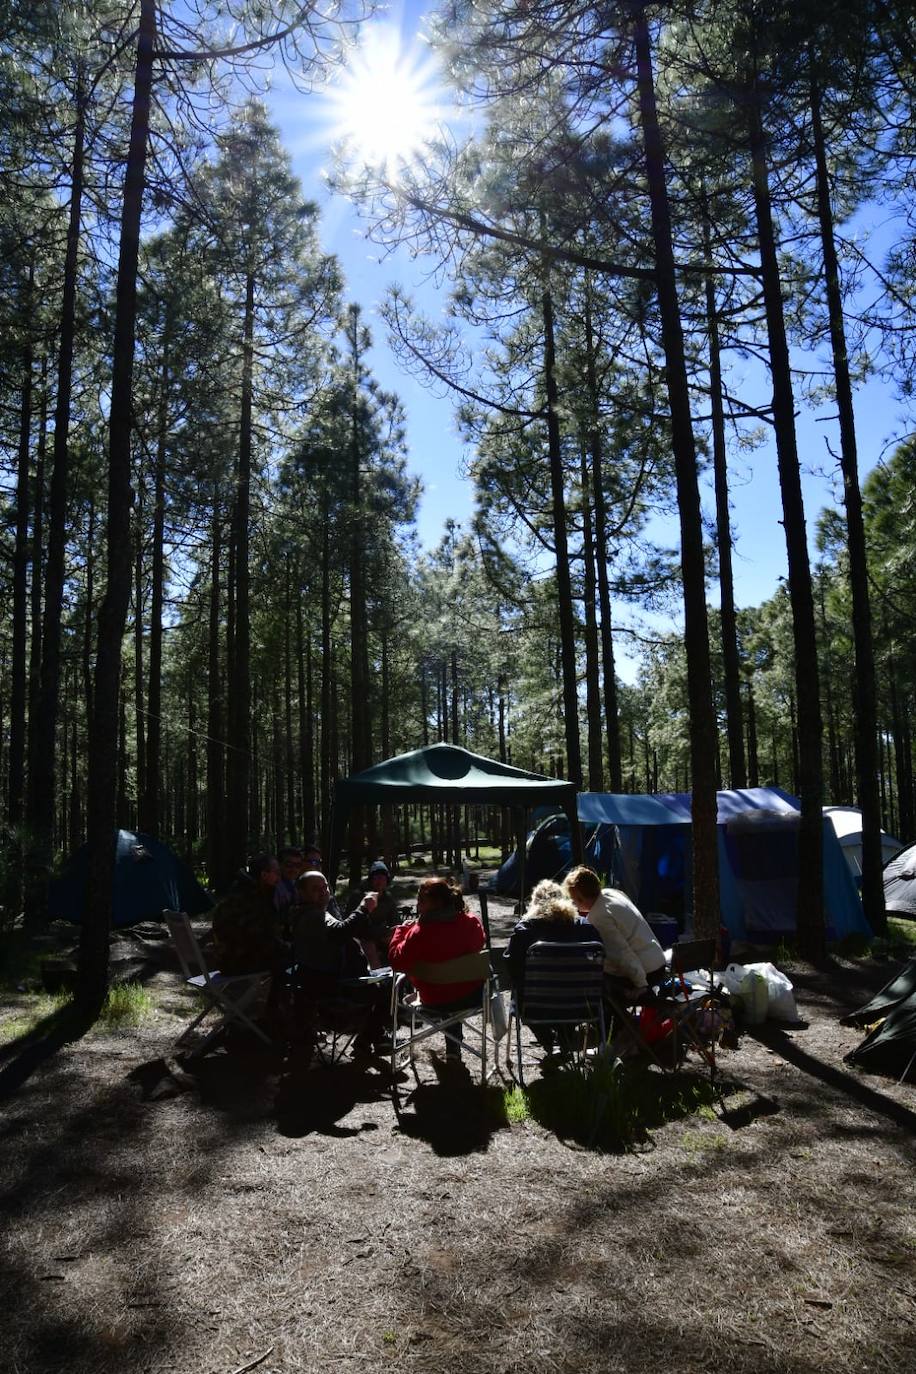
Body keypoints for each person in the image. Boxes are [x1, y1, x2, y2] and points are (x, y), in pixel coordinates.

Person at [387, 877, 486, 1061]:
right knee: (455, 981)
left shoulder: (418, 933)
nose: (417, 906)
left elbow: (396, 962)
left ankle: (451, 1045)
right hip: (471, 996)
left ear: (437, 902)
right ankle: (453, 1047)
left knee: (446, 986)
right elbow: (479, 944)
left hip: (434, 999)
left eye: (421, 901)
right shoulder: (471, 923)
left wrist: (400, 932)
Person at [292, 870, 389, 1056]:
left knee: (378, 979)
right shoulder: (313, 916)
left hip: (320, 982)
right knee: (388, 984)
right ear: (302, 893)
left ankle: (374, 1037)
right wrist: (363, 908)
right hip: (337, 987)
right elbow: (340, 931)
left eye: (325, 887)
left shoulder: (307, 913)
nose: (323, 892)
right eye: (315, 889)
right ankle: (371, 1038)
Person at [504, 879, 600, 1056]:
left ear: (534, 903)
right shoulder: (584, 928)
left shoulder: (526, 930)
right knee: (568, 987)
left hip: (536, 1006)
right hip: (580, 1004)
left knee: (525, 994)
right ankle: (562, 1041)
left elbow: (512, 967)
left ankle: (551, 1043)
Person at [563, 865, 667, 995]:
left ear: (580, 897)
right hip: (658, 961)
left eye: (573, 900)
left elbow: (622, 954)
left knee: (592, 974)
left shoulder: (598, 917)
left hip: (646, 972)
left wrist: (641, 985)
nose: (573, 904)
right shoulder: (613, 893)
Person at [210, 852, 287, 976]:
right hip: (237, 961)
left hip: (227, 957)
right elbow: (260, 936)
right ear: (264, 875)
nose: (279, 878)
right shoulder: (251, 898)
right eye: (277, 873)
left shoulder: (241, 890)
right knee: (290, 960)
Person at [345, 860, 400, 967]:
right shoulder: (358, 897)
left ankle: (400, 975)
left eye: (382, 878)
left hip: (381, 934)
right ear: (371, 879)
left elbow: (396, 921)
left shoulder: (387, 898)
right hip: (362, 936)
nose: (379, 881)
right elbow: (352, 923)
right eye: (376, 877)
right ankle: (377, 978)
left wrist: (393, 933)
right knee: (369, 946)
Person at [275, 846, 306, 917]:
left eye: (298, 865)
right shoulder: (275, 887)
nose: (294, 869)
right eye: (289, 865)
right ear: (279, 865)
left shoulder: (297, 885)